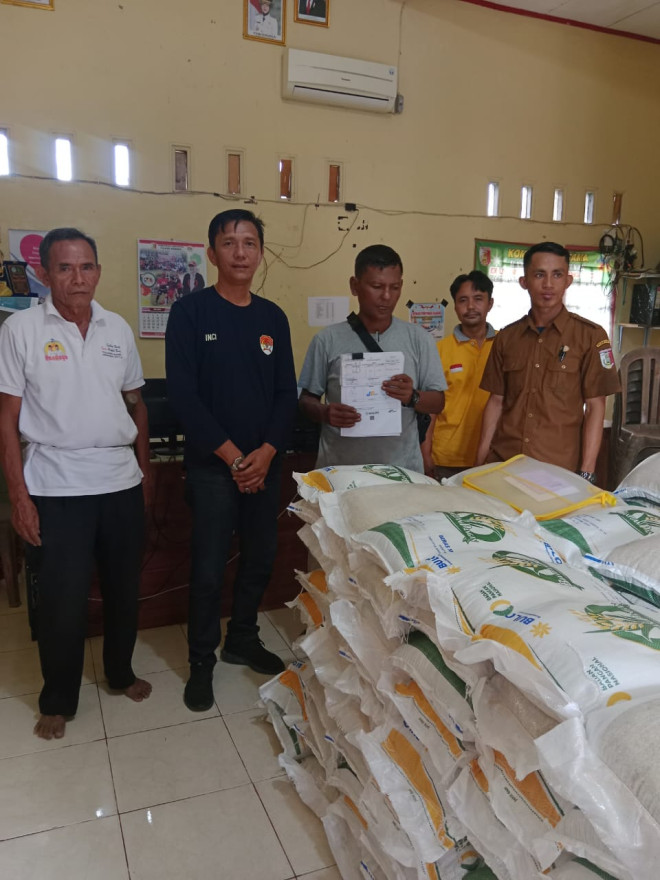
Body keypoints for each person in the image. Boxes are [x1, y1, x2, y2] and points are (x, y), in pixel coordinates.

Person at [0, 228, 152, 741]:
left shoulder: (117, 328)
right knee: (62, 602)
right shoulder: (20, 330)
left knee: (123, 590)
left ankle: (121, 673)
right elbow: (6, 420)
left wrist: (145, 472)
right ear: (44, 274)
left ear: (98, 272)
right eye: (64, 268)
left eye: (86, 267)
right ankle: (58, 698)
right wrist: (19, 496)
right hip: (55, 485)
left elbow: (136, 404)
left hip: (119, 481)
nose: (77, 278)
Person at [166, 209, 297, 712]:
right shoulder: (190, 313)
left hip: (265, 463)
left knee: (260, 557)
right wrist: (235, 458)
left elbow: (285, 393)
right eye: (229, 243)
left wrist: (266, 452)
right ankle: (201, 660)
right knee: (207, 568)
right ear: (211, 253)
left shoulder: (273, 318)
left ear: (260, 252)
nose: (240, 252)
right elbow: (184, 397)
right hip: (213, 467)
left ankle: (242, 637)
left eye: (249, 243)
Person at [476, 241, 621, 480]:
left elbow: (596, 406)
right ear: (524, 281)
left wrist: (587, 471)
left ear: (568, 281)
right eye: (539, 275)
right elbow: (496, 401)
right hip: (504, 464)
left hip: (557, 470)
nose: (548, 284)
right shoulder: (507, 337)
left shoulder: (590, 336)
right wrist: (481, 460)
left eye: (557, 275)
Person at [298, 244, 446, 473]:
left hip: (401, 469)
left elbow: (438, 401)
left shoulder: (419, 339)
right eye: (377, 286)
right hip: (340, 471)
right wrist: (324, 412)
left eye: (394, 287)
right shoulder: (327, 340)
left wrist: (413, 396)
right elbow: (306, 400)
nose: (386, 296)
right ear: (354, 285)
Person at [423, 270, 496, 480]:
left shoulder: (504, 346)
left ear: (490, 303)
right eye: (463, 300)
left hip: (493, 456)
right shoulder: (440, 350)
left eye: (478, 299)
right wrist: (425, 453)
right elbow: (430, 410)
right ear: (455, 306)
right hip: (446, 458)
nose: (470, 306)